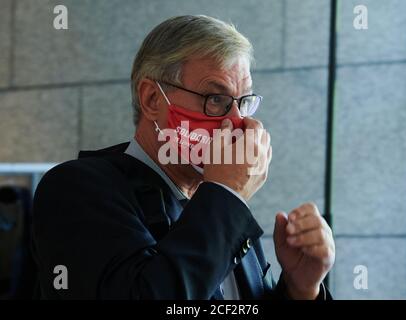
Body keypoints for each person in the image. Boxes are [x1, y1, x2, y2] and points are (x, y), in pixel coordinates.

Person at [31, 15, 335, 300]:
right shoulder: (77, 188)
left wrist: (300, 288)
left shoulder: (222, 207)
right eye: (216, 99)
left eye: (243, 103)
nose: (238, 122)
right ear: (152, 99)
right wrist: (227, 195)